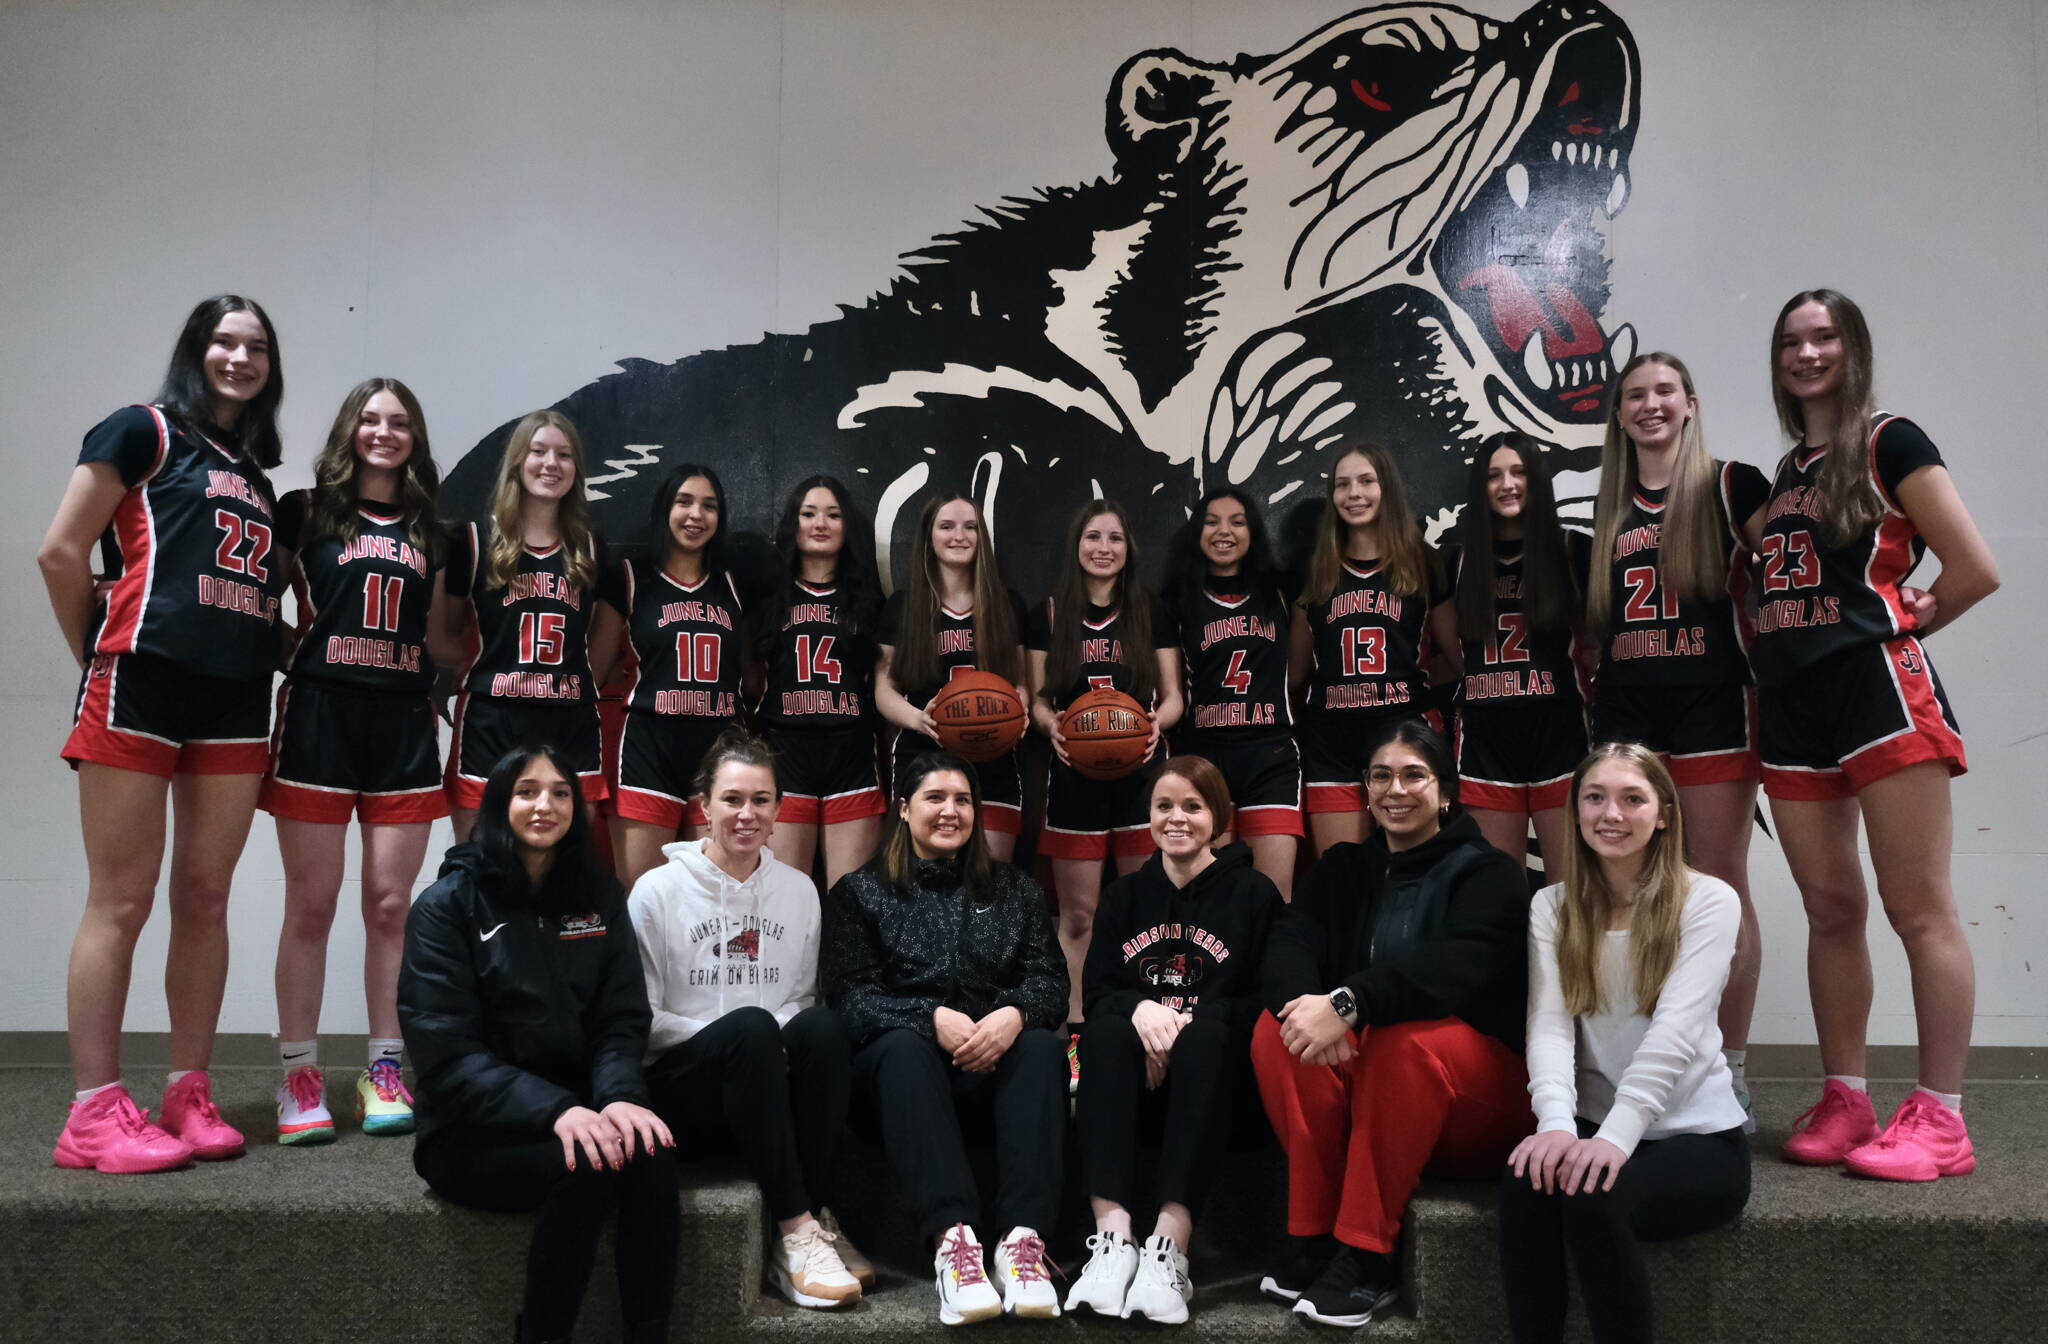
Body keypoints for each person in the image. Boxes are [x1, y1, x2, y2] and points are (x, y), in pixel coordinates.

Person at [1743, 290, 1998, 1178]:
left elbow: (1974, 569)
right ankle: (1847, 1097)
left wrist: (1909, 626)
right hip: (1794, 703)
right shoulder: (1788, 471)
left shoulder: (1891, 440)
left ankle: (1942, 1118)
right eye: (1791, 341)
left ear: (1853, 348)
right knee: (1831, 910)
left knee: (1917, 909)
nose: (1807, 353)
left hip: (1877, 690)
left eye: (1824, 337)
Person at [43, 294, 286, 1172]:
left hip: (233, 699)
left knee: (206, 896)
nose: (239, 357)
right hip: (139, 681)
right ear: (197, 349)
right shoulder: (140, 429)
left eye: (256, 346)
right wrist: (96, 652)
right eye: (224, 340)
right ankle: (92, 1111)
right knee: (122, 897)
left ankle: (188, 1090)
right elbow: (61, 552)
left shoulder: (257, 475)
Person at [1254, 720, 1530, 1328]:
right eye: (1381, 776)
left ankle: (1366, 1253)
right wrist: (1308, 1007)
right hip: (1374, 1098)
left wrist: (1348, 1002)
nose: (1395, 789)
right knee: (1278, 1031)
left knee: (1405, 1042)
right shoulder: (1344, 868)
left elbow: (1453, 972)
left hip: (1479, 1102)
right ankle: (1317, 1235)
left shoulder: (1492, 873)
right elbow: (1287, 942)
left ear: (1447, 791)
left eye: (1413, 775)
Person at [399, 746, 678, 1344]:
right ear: (500, 805)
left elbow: (620, 1018)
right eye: (527, 791)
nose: (544, 804)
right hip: (469, 1132)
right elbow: (447, 1059)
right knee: (585, 1167)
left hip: (576, 1108)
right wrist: (556, 1110)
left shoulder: (599, 896)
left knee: (649, 1148)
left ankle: (650, 1331)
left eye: (559, 792)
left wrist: (622, 1096)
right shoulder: (447, 905)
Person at [1497, 743, 1750, 1343]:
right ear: (1576, 811)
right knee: (1525, 1184)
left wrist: (1615, 1136)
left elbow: (1675, 1036)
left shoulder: (1710, 900)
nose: (1611, 813)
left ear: (1663, 813)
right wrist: (1556, 1123)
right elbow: (1551, 1025)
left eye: (1632, 799)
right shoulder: (1552, 906)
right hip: (1592, 1125)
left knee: (1591, 1196)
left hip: (1697, 1139)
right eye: (1595, 798)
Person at [265, 377, 455, 1145]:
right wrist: (301, 657)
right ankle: (298, 1074)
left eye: (399, 421)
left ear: (415, 436)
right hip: (319, 721)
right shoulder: (305, 511)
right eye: (371, 419)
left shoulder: (433, 530)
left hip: (403, 724)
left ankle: (384, 1068)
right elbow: (256, 605)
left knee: (388, 907)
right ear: (350, 429)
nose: (384, 432)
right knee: (311, 906)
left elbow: (441, 639)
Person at [822, 751, 1068, 1326]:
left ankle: (1022, 1245)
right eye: (935, 798)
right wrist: (930, 1016)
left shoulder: (1016, 891)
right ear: (904, 810)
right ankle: (953, 1245)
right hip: (900, 1091)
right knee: (902, 1047)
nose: (951, 812)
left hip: (992, 1079)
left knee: (1040, 1046)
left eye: (963, 800)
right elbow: (849, 999)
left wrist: (1013, 1015)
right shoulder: (859, 893)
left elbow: (1051, 985)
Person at [1588, 353, 1770, 1128]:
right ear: (1620, 415)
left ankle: (1726, 1061)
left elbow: (1800, 569)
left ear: (1690, 403)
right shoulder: (1605, 507)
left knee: (1719, 886)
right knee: (1631, 891)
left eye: (1665, 391)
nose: (1652, 405)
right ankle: (1640, 1057)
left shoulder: (1733, 485)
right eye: (1636, 396)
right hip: (1630, 718)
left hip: (1712, 710)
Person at [629, 728, 869, 1309]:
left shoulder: (800, 891)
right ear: (703, 807)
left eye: (761, 800)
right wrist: (743, 1039)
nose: (747, 814)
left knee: (825, 1028)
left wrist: (765, 1042)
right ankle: (796, 1227)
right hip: (684, 1094)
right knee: (753, 1028)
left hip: (765, 1085)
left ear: (779, 810)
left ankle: (812, 1221)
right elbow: (643, 1020)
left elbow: (803, 999)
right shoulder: (655, 892)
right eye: (732, 799)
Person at [1065, 755, 1282, 1324]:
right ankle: (1112, 1239)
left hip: (1218, 1094)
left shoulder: (1255, 895)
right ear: (1149, 815)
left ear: (1219, 816)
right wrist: (1141, 1010)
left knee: (1210, 1035)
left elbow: (1266, 1000)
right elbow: (1098, 991)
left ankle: (1169, 1247)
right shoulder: (1125, 896)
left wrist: (1183, 1025)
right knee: (1107, 1033)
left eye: (1193, 806)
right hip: (1133, 1087)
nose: (1177, 818)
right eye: (1164, 806)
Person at [1026, 500, 1183, 1027]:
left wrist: (1157, 723)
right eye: (1093, 537)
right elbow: (1039, 700)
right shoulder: (1048, 613)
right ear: (1077, 546)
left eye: (1114, 538)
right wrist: (1052, 726)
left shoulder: (1149, 608)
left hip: (1142, 775)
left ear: (1128, 549)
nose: (1103, 548)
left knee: (1147, 914)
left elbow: (1175, 696)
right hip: (1074, 777)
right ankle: (1077, 1031)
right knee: (1078, 916)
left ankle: (1148, 1022)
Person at [442, 410, 623, 840]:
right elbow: (446, 634)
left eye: (564, 455)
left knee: (566, 860)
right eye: (538, 451)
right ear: (517, 462)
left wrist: (564, 687)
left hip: (569, 719)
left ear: (576, 470)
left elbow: (597, 650)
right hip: (492, 716)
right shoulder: (475, 542)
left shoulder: (590, 549)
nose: (550, 463)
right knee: (480, 859)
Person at [1437, 432, 1593, 878]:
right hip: (1486, 739)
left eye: (1519, 472)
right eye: (1494, 475)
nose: (1507, 484)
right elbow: (1450, 654)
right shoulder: (1455, 563)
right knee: (1498, 897)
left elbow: (1603, 640)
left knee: (1572, 897)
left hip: (1561, 736)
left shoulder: (1574, 550)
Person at [1290, 444, 1453, 855]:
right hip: (1330, 737)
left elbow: (1456, 656)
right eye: (1342, 485)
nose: (1354, 494)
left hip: (1403, 731)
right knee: (1340, 876)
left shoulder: (1424, 564)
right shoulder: (1314, 572)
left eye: (1366, 481)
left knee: (1414, 871)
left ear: (1387, 489)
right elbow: (1295, 673)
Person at [1161, 487, 1301, 897]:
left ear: (1253, 531)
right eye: (1212, 521)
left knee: (1274, 896)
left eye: (1237, 522)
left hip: (1270, 753)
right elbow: (1170, 689)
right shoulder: (1176, 600)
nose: (1225, 531)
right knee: (1213, 897)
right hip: (1205, 756)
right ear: (1196, 533)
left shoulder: (1280, 591)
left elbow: (1299, 668)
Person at [610, 464, 745, 888]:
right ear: (663, 509)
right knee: (644, 897)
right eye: (684, 502)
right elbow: (594, 668)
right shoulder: (630, 577)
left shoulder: (734, 581)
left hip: (719, 750)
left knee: (717, 898)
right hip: (649, 747)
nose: (696, 515)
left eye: (709, 505)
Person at [874, 495, 1030, 862]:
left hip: (995, 754)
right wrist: (918, 718)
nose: (959, 536)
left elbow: (1021, 682)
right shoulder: (903, 606)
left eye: (970, 527)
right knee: (922, 893)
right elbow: (883, 688)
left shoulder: (1007, 605)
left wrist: (1019, 707)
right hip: (922, 754)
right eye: (946, 526)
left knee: (990, 891)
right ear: (929, 537)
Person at [750, 475, 887, 889]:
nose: (820, 523)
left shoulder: (868, 602)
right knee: (787, 901)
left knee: (849, 904)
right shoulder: (768, 598)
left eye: (833, 514)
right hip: (785, 752)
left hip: (852, 753)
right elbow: (752, 682)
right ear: (794, 523)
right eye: (808, 513)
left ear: (849, 528)